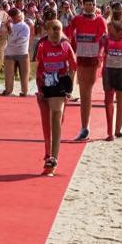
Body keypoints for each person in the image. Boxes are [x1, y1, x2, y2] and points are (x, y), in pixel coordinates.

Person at [33, 12, 77, 175]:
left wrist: (69, 88)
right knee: (47, 120)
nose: (55, 31)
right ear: (47, 30)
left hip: (59, 86)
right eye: (52, 29)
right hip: (45, 86)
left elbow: (73, 67)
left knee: (56, 115)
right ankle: (48, 152)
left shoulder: (66, 46)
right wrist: (39, 88)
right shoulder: (43, 46)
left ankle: (53, 158)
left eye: (58, 28)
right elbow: (39, 67)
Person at [68, 0, 107, 141]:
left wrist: (100, 57)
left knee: (87, 92)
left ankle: (85, 127)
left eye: (92, 4)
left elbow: (104, 40)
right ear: (83, 5)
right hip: (81, 58)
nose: (90, 6)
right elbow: (68, 34)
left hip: (93, 59)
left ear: (95, 5)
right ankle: (84, 127)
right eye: (87, 4)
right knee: (83, 92)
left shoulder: (100, 20)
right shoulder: (77, 19)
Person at [100, 7, 122, 141]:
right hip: (118, 69)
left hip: (113, 69)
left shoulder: (111, 32)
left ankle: (113, 131)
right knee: (118, 101)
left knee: (112, 101)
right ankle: (114, 131)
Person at [0, 7, 31, 97]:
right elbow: (2, 35)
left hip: (22, 52)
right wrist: (7, 27)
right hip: (10, 53)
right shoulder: (7, 26)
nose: (21, 16)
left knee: (24, 75)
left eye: (20, 14)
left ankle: (24, 91)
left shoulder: (25, 26)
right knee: (9, 75)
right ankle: (8, 91)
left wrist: (12, 39)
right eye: (18, 15)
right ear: (13, 17)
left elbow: (22, 40)